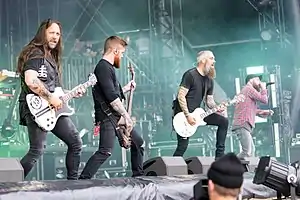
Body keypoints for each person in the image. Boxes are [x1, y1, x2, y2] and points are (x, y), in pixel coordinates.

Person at [17, 19, 84, 180]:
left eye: (58, 34)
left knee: (75, 142)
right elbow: (31, 81)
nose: (55, 37)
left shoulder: (50, 58)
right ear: (43, 33)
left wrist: (72, 92)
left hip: (51, 109)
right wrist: (49, 97)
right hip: (37, 107)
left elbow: (55, 91)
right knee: (37, 150)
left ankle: (73, 186)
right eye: (52, 33)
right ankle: (8, 184)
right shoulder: (35, 53)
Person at [79, 36, 144, 179]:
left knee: (138, 142)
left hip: (114, 116)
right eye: (121, 53)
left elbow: (113, 93)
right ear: (114, 50)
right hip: (107, 116)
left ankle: (138, 177)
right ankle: (82, 180)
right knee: (105, 151)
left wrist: (126, 88)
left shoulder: (108, 68)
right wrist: (127, 117)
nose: (121, 56)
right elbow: (112, 98)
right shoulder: (103, 67)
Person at [172, 50, 228, 159]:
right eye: (211, 58)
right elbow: (181, 95)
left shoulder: (210, 80)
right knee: (182, 147)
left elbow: (209, 101)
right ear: (202, 60)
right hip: (183, 116)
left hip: (198, 115)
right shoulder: (190, 75)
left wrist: (217, 107)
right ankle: (171, 168)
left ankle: (219, 157)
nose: (214, 61)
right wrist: (187, 115)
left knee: (223, 121)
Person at [232, 74, 274, 159]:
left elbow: (249, 109)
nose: (260, 83)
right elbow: (264, 100)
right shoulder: (248, 88)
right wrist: (263, 88)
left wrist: (263, 112)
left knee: (251, 151)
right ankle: (228, 167)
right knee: (247, 152)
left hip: (244, 124)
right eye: (258, 80)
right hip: (242, 124)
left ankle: (247, 171)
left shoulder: (247, 91)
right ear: (251, 80)